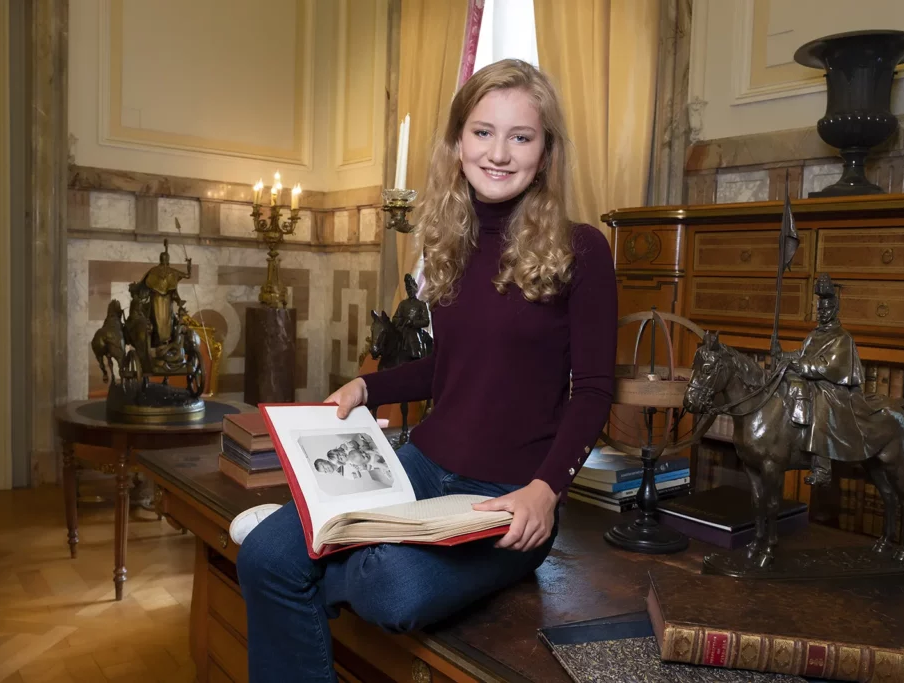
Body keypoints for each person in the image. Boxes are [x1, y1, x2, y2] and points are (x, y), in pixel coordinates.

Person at [233, 58, 617, 683]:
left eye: (521, 136)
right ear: (457, 141)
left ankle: (338, 545)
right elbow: (450, 368)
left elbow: (595, 390)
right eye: (482, 132)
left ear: (545, 152)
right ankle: (316, 540)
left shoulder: (583, 249)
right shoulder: (450, 244)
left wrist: (547, 493)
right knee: (265, 557)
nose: (499, 152)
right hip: (420, 466)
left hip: (510, 499)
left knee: (390, 589)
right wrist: (367, 386)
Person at [779, 274, 866, 486]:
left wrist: (803, 366)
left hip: (832, 386)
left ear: (835, 310)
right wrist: (782, 355)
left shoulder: (842, 337)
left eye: (827, 310)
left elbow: (830, 366)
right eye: (820, 310)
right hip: (811, 379)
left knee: (821, 405)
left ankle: (822, 468)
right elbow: (803, 354)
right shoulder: (814, 334)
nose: (822, 314)